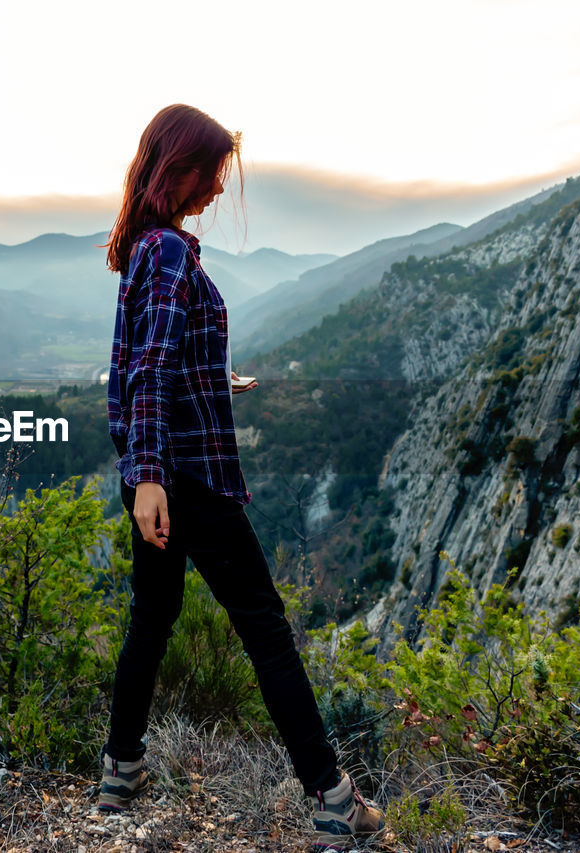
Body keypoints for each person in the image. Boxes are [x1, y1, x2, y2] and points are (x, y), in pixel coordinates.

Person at [99, 104, 384, 849]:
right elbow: (149, 367)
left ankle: (119, 769)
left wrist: (211, 384)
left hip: (155, 473)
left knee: (151, 622)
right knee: (266, 630)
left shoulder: (145, 248)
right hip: (185, 478)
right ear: (180, 168)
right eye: (213, 173)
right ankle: (332, 798)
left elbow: (154, 358)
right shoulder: (165, 252)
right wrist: (159, 475)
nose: (220, 189)